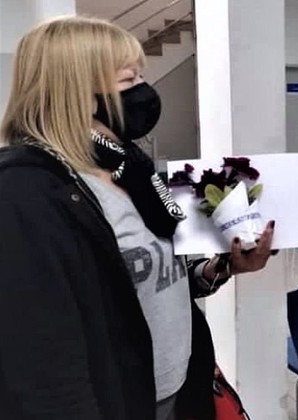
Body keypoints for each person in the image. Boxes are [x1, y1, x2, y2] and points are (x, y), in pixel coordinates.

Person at [0, 16, 274, 419]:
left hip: (182, 385)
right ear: (76, 93)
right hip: (121, 402)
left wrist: (219, 268)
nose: (145, 92)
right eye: (128, 80)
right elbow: (43, 358)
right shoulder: (25, 193)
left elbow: (149, 282)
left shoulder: (130, 166)